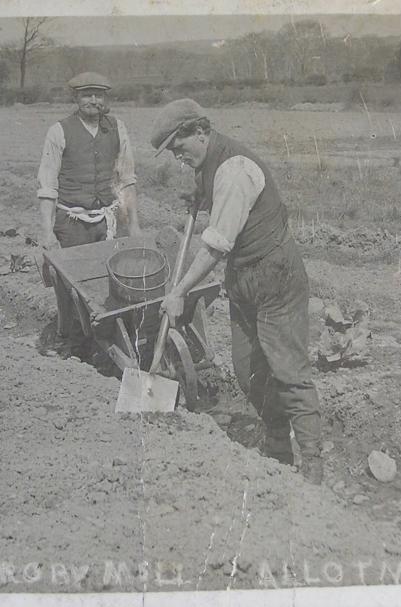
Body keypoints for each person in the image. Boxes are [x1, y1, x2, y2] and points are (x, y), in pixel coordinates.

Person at [151, 99, 324, 485]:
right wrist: (199, 196)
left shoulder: (233, 170)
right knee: (249, 373)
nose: (179, 159)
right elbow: (210, 192)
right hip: (245, 278)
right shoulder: (209, 163)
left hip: (275, 275)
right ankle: (277, 446)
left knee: (289, 371)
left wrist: (179, 290)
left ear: (199, 131)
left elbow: (215, 246)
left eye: (180, 149)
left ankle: (312, 466)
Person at [37, 72, 140, 249]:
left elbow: (127, 181)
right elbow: (47, 187)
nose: (93, 101)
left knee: (113, 271)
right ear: (75, 97)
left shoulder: (118, 128)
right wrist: (47, 232)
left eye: (98, 95)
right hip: (71, 223)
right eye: (86, 95)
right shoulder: (58, 131)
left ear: (105, 99)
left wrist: (134, 225)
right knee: (73, 273)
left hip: (109, 220)